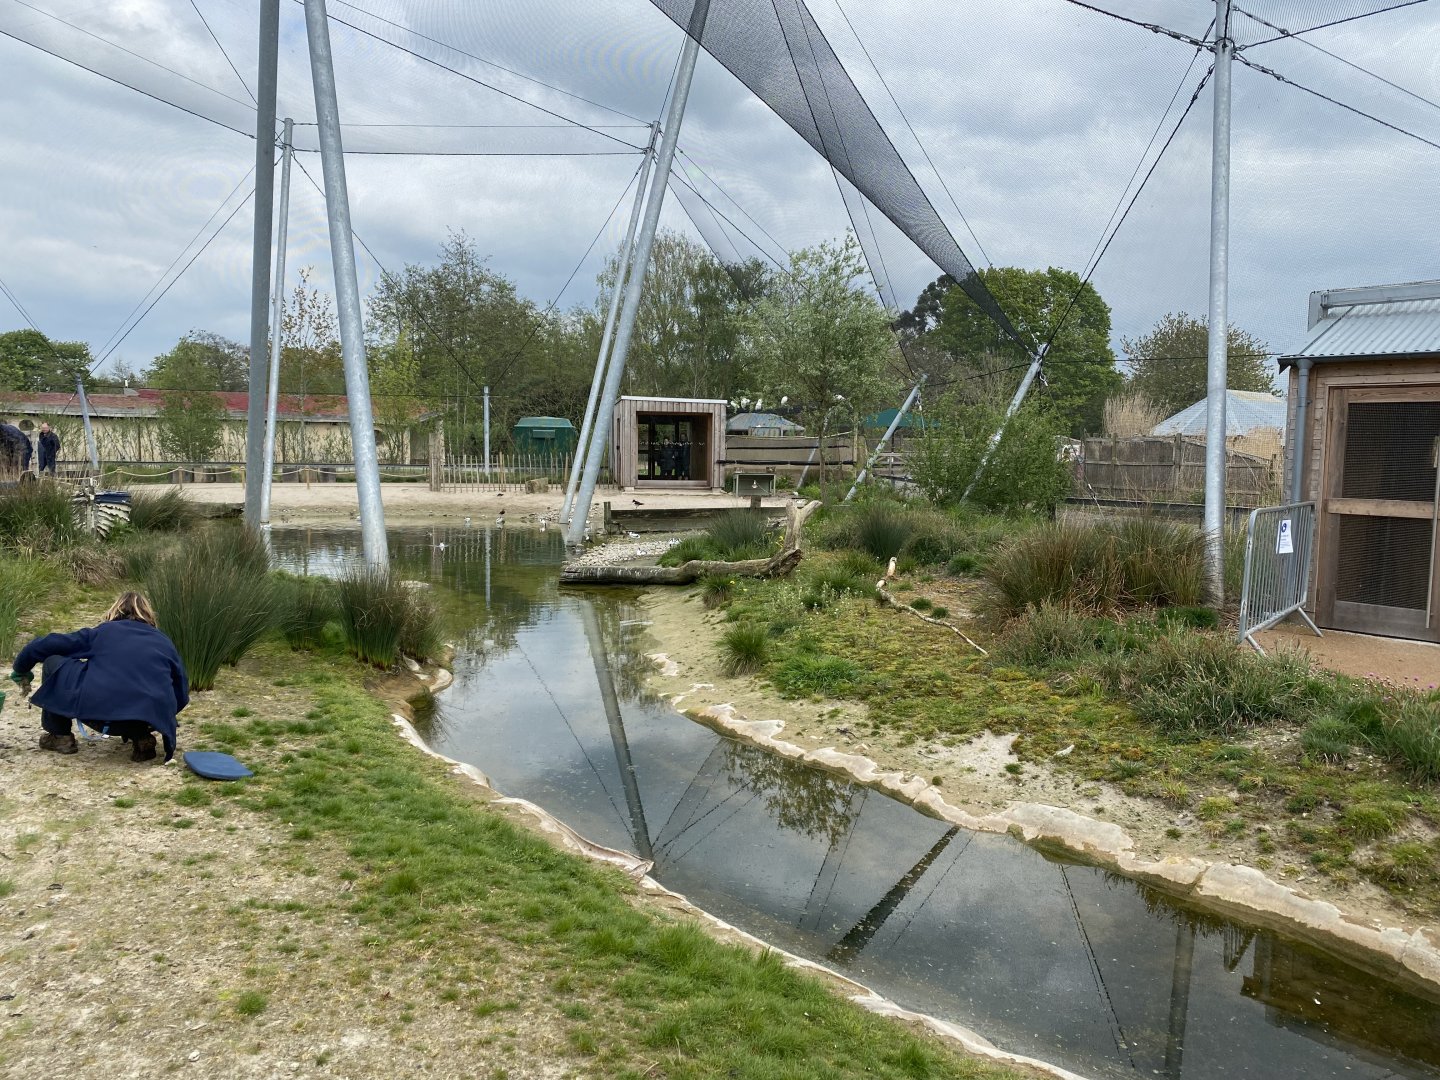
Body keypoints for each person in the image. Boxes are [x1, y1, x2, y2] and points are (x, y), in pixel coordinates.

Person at [9, 591, 189, 762]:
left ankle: (60, 735)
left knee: (52, 661)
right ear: (148, 615)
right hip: (145, 718)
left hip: (99, 715)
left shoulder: (102, 633)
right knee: (142, 693)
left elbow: (46, 644)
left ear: (115, 611)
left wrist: (21, 668)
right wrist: (162, 718)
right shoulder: (164, 641)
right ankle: (141, 736)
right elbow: (181, 693)